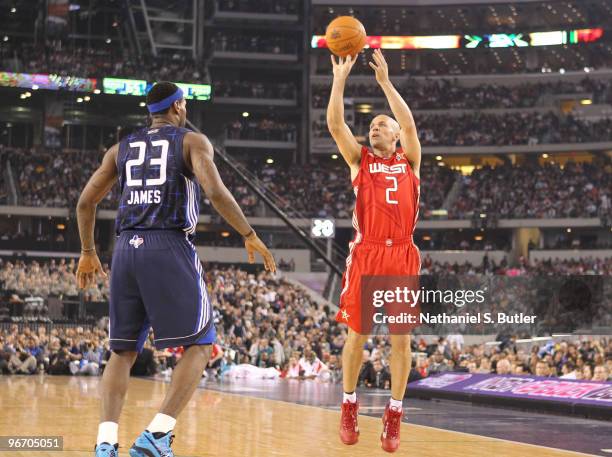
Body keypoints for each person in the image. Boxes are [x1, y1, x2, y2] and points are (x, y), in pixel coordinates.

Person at [76, 81, 276, 457]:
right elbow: (215, 192)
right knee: (201, 344)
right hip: (167, 245)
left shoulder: (119, 150)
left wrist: (88, 250)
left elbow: (85, 203)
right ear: (179, 107)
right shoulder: (191, 142)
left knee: (122, 353)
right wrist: (248, 233)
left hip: (125, 249)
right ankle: (157, 433)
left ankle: (105, 444)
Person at [327, 49, 421, 453]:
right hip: (367, 253)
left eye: (383, 125)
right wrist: (339, 79)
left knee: (401, 340)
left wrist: (384, 82)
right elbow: (335, 124)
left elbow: (411, 124)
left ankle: (394, 413)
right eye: (372, 126)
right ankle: (349, 404)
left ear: (396, 134)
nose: (375, 129)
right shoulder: (359, 161)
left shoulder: (410, 160)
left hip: (401, 254)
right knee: (358, 335)